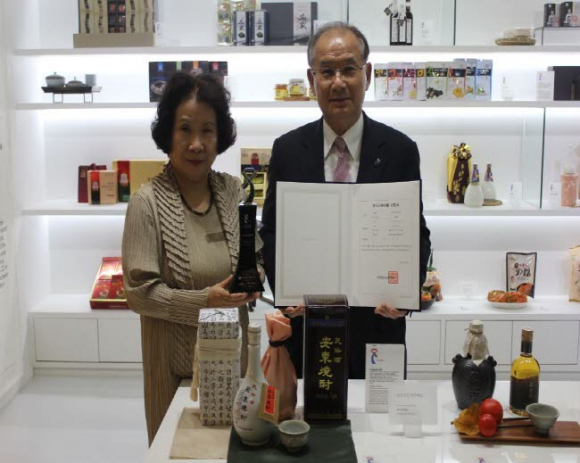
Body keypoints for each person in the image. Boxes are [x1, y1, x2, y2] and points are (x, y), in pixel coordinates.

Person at [260, 22, 431, 379]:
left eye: (349, 69)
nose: (338, 82)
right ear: (312, 80)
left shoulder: (400, 150)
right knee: (305, 413)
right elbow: (272, 233)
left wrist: (406, 296)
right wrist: (286, 294)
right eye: (327, 71)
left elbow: (416, 234)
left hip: (378, 327)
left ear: (367, 75)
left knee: (380, 413)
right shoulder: (287, 150)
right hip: (307, 328)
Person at [122, 72, 262, 444]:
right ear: (168, 133)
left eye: (207, 131)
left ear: (221, 136)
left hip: (233, 364)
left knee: (233, 449)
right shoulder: (146, 204)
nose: (196, 144)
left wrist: (255, 277)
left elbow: (254, 256)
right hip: (174, 371)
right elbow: (139, 294)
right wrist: (204, 302)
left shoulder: (232, 191)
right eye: (185, 129)